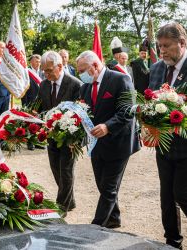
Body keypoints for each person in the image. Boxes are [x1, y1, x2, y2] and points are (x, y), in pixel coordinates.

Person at [76, 50, 140, 228]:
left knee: (109, 188)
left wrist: (107, 126)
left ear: (95, 66)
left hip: (119, 142)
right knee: (102, 185)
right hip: (97, 144)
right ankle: (114, 218)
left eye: (82, 70)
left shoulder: (120, 80)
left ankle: (95, 227)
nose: (80, 74)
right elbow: (85, 113)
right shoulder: (85, 87)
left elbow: (128, 111)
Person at [149, 22, 187, 250]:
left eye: (166, 46)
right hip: (162, 145)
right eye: (159, 45)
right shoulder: (156, 68)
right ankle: (172, 242)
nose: (161, 51)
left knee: (182, 192)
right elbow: (150, 100)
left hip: (186, 145)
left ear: (182, 43)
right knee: (166, 197)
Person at [38, 51, 82, 215]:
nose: (46, 74)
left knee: (66, 170)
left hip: (70, 137)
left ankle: (61, 206)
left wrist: (75, 135)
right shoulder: (43, 85)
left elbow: (82, 111)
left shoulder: (75, 84)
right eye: (44, 70)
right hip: (51, 136)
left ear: (60, 66)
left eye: (49, 70)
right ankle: (69, 201)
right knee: (56, 168)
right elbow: (39, 108)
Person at [22, 54, 43, 150]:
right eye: (36, 61)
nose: (38, 63)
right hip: (30, 100)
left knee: (39, 121)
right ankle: (30, 142)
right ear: (31, 62)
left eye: (39, 61)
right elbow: (24, 88)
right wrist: (25, 103)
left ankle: (38, 141)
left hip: (41, 101)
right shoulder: (26, 72)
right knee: (29, 121)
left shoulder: (43, 73)